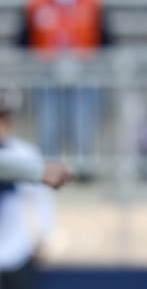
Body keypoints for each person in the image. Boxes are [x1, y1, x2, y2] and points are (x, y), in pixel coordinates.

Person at [17, 0, 112, 159]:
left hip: (84, 72)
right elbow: (24, 37)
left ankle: (84, 169)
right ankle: (47, 170)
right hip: (47, 71)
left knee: (82, 125)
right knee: (48, 127)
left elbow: (105, 36)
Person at [0, 90, 60, 289]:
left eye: (4, 118)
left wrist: (44, 233)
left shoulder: (25, 153)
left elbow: (42, 198)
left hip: (17, 250)